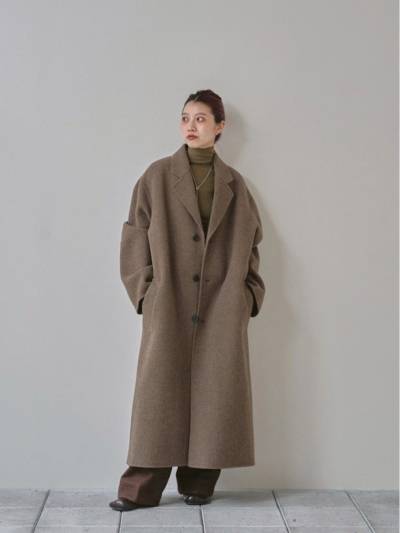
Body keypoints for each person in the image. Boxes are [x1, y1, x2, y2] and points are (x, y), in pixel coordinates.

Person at [110, 89, 265, 511]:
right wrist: (146, 291)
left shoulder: (235, 184)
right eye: (185, 118)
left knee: (216, 393)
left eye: (200, 118)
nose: (190, 126)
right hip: (169, 301)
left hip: (221, 303)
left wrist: (248, 295)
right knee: (157, 396)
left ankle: (199, 482)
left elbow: (252, 242)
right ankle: (140, 489)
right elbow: (134, 236)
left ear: (220, 126)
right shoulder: (157, 176)